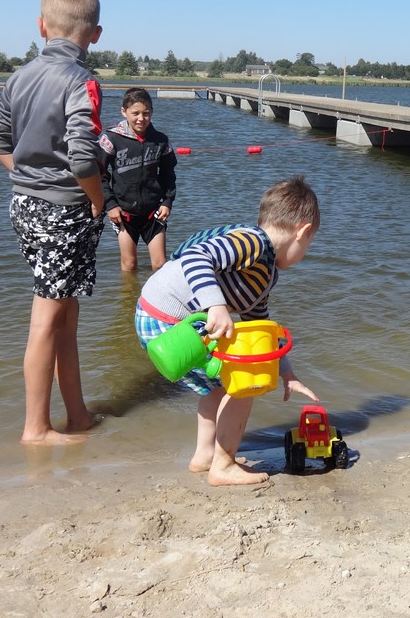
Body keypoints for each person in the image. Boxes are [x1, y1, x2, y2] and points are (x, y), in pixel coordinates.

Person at [135, 176, 321, 486]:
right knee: (245, 382)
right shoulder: (252, 242)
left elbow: (259, 330)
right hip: (167, 320)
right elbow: (196, 257)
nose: (305, 253)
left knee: (218, 385)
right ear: (302, 232)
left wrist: (287, 372)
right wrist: (216, 305)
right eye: (309, 243)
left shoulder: (265, 272)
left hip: (161, 319)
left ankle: (206, 456)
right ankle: (223, 466)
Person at [0, 0, 106, 445]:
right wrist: (98, 199)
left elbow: (0, 145)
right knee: (46, 318)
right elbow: (82, 157)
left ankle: (77, 415)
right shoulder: (81, 81)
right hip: (64, 210)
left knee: (65, 312)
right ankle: (36, 429)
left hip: (24, 205)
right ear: (95, 34)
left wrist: (29, 179)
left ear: (41, 26)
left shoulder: (18, 77)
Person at [99, 88, 178, 272]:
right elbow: (100, 174)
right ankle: (129, 292)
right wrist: (110, 205)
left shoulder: (160, 140)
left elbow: (168, 173)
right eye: (135, 113)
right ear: (124, 111)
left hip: (154, 212)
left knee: (160, 264)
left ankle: (158, 292)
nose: (141, 118)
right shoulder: (111, 138)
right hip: (124, 213)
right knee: (130, 264)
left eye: (146, 113)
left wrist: (167, 201)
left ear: (152, 112)